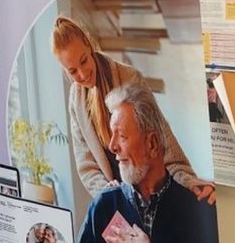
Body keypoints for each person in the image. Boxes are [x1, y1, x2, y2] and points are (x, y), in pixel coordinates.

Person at [51, 16, 214, 203]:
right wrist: (107, 193)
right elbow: (86, 164)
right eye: (72, 71)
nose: (82, 74)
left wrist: (188, 180)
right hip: (115, 198)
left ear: (88, 46)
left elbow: (161, 137)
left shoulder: (129, 77)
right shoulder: (75, 100)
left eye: (84, 61)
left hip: (149, 190)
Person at [76, 83, 220, 243]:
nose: (112, 146)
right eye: (112, 135)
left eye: (121, 136)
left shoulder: (196, 212)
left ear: (152, 144)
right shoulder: (104, 205)